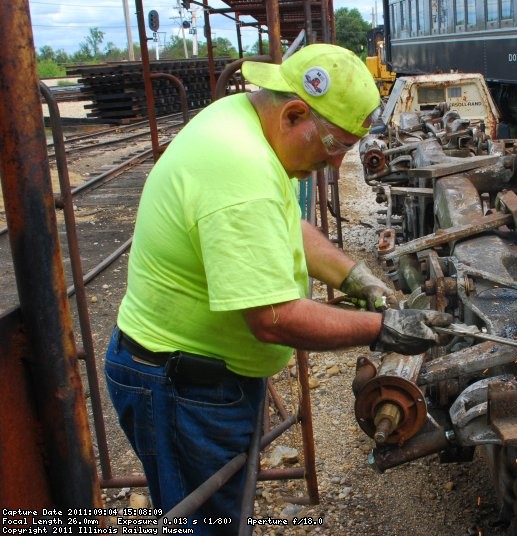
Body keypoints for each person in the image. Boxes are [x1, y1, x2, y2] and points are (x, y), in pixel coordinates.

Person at [104, 43, 452, 533]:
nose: (335, 167)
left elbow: (287, 224)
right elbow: (273, 317)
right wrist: (384, 327)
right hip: (179, 385)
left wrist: (357, 278)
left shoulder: (248, 122)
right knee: (202, 524)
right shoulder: (239, 168)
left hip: (196, 376)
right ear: (294, 114)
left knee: (222, 509)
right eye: (335, 148)